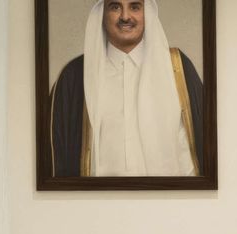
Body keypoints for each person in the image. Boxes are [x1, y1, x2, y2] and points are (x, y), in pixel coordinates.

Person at [48, 0, 205, 177]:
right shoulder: (74, 77)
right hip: (96, 202)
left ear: (147, 13)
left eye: (135, 7)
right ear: (102, 14)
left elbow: (196, 154)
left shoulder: (177, 69)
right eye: (115, 7)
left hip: (169, 201)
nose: (125, 16)